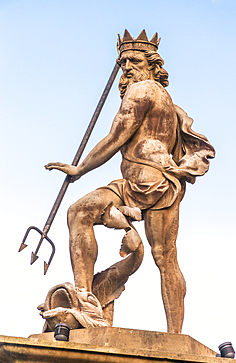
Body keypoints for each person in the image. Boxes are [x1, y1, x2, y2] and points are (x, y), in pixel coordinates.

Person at [45, 30, 215, 333]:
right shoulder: (164, 99)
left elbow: (115, 137)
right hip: (134, 182)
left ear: (152, 65)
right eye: (122, 61)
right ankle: (86, 302)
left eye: (134, 59)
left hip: (153, 184)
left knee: (164, 256)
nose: (127, 67)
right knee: (80, 211)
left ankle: (174, 334)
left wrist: (80, 168)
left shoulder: (143, 90)